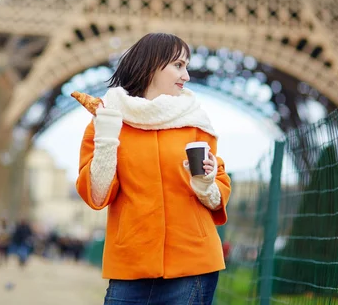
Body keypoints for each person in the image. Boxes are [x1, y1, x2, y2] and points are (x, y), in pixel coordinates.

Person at [76, 33, 232, 305]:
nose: (187, 76)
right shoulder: (107, 120)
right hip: (130, 264)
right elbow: (98, 196)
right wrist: (107, 139)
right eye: (179, 65)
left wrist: (206, 183)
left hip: (192, 262)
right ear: (152, 65)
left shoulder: (196, 122)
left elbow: (218, 187)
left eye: (187, 66)